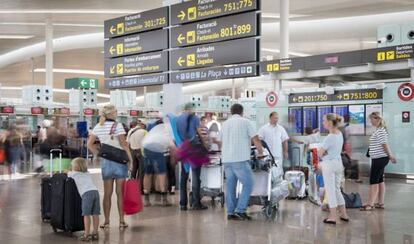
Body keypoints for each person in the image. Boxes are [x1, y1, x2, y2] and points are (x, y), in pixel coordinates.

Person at [87, 104, 133, 230]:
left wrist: (98, 154)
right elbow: (124, 145)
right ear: (112, 113)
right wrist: (131, 161)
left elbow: (89, 144)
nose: (117, 113)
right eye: (116, 111)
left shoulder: (98, 126)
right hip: (119, 162)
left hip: (106, 162)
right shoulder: (117, 125)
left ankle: (106, 221)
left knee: (107, 194)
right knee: (120, 194)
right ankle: (121, 221)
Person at [217, 104, 264, 221]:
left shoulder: (225, 124)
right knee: (249, 184)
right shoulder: (246, 122)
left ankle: (230, 212)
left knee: (231, 186)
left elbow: (219, 141)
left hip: (227, 160)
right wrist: (260, 152)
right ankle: (240, 210)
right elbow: (255, 139)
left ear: (231, 112)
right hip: (240, 160)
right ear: (242, 112)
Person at [360, 112, 396, 211]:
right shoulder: (379, 130)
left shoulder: (380, 131)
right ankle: (380, 203)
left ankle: (370, 204)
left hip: (379, 159)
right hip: (379, 159)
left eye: (371, 119)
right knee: (379, 180)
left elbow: (385, 144)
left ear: (377, 119)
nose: (370, 121)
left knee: (373, 181)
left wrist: (390, 156)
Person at [319, 113, 349, 225]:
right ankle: (344, 214)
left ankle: (333, 216)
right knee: (337, 190)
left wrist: (322, 152)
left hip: (329, 165)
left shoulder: (329, 137)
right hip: (338, 164)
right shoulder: (339, 134)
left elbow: (320, 153)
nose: (323, 123)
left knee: (330, 191)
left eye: (324, 121)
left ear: (330, 123)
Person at [176, 103, 208, 211]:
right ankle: (196, 203)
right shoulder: (194, 117)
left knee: (183, 176)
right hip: (194, 148)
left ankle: (183, 204)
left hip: (183, 148)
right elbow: (199, 132)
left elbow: (175, 135)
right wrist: (204, 145)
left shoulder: (178, 119)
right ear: (190, 109)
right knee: (195, 176)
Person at [141, 121, 173, 207]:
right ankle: (164, 200)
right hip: (157, 149)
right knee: (162, 174)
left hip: (146, 149)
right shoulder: (166, 132)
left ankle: (146, 200)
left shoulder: (152, 131)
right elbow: (172, 146)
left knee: (148, 174)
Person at [68, 158, 100, 242]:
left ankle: (86, 234)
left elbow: (66, 173)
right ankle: (95, 233)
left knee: (86, 214)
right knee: (95, 214)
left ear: (75, 167)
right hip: (95, 192)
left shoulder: (73, 174)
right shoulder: (87, 173)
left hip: (87, 194)